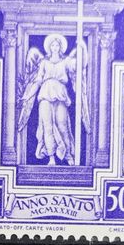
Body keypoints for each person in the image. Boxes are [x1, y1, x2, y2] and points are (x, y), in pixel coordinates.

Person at [17, 34, 89, 166]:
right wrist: (27, 96)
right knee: (47, 127)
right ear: (49, 47)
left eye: (57, 45)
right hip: (45, 95)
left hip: (60, 95)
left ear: (60, 47)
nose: (55, 47)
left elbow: (81, 65)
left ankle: (68, 155)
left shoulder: (66, 61)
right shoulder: (44, 62)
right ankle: (51, 158)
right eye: (53, 45)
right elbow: (38, 81)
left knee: (63, 126)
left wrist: (83, 47)